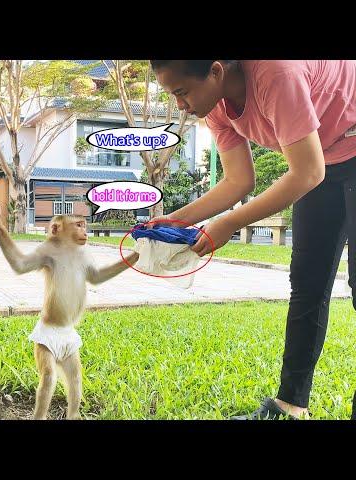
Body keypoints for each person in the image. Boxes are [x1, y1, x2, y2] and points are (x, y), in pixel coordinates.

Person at [149, 60, 356, 420]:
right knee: (307, 284)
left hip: (340, 147)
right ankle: (290, 405)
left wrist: (228, 223)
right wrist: (175, 220)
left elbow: (307, 172)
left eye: (182, 93)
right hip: (317, 156)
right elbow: (238, 180)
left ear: (215, 71)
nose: (180, 105)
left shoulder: (276, 73)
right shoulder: (214, 106)